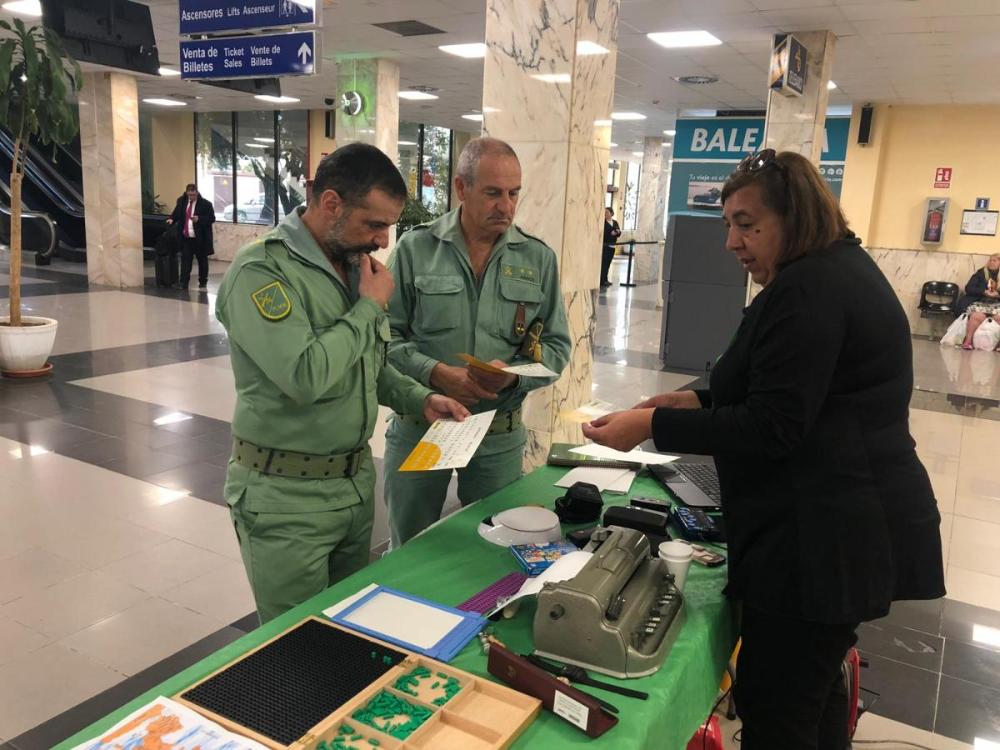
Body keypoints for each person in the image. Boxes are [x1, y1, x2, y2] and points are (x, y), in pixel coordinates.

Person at [582, 149, 945, 750]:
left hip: (821, 546)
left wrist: (649, 428)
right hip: (836, 531)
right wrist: (692, 403)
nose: (732, 242)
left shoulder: (811, 289)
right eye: (728, 224)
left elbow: (773, 425)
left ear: (794, 217)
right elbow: (786, 386)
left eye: (748, 224)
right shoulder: (831, 270)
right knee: (813, 689)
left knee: (779, 710)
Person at [215, 143, 469, 623]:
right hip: (286, 497)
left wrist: (422, 398)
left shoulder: (353, 266)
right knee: (296, 647)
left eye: (388, 228)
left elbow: (367, 364)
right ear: (331, 203)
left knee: (346, 630)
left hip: (352, 490)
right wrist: (369, 306)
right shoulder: (262, 270)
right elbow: (305, 375)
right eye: (373, 225)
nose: (381, 241)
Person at [384, 137, 572, 548]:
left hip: (496, 434)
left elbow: (557, 347)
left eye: (513, 193)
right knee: (410, 548)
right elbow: (384, 339)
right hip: (422, 426)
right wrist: (434, 373)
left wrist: (514, 378)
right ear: (461, 188)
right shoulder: (416, 249)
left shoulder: (538, 259)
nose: (506, 205)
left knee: (493, 547)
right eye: (493, 193)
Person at [166, 183, 215, 290]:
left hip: (200, 238)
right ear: (187, 193)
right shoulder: (182, 201)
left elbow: (211, 218)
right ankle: (183, 283)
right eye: (189, 195)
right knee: (185, 260)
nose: (191, 197)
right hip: (186, 237)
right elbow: (176, 213)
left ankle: (203, 281)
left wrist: (199, 219)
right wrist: (172, 219)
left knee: (202, 260)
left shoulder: (206, 204)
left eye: (193, 195)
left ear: (197, 193)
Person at [958, 253, 1000, 349]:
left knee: (999, 318)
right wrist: (983, 292)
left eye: (994, 260)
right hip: (981, 301)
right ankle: (968, 342)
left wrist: (998, 294)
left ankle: (998, 345)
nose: (991, 262)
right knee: (976, 317)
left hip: (998, 303)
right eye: (990, 260)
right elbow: (969, 288)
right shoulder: (980, 273)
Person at [600, 207, 621, 288]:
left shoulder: (615, 222)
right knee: (604, 264)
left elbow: (618, 233)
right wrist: (610, 234)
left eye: (607, 212)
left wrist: (618, 232)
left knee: (608, 264)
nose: (606, 214)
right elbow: (603, 234)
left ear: (611, 213)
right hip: (605, 245)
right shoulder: (603, 222)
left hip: (612, 245)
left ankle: (605, 279)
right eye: (604, 212)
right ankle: (602, 280)